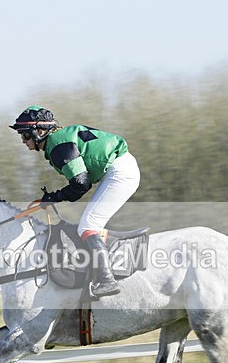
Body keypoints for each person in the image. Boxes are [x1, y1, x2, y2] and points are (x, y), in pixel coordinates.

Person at [9, 105, 141, 298]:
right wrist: (55, 196)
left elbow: (81, 184)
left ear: (40, 131)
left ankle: (107, 280)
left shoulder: (58, 145)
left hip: (120, 173)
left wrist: (54, 197)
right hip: (120, 168)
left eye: (25, 136)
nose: (23, 141)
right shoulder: (60, 139)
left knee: (88, 227)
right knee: (89, 224)